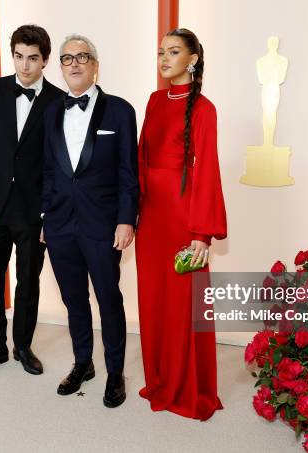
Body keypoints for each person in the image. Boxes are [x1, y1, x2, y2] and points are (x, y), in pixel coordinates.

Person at [40, 34, 138, 408]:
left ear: (96, 65)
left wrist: (126, 220)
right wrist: (46, 216)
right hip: (61, 224)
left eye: (83, 57)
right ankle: (84, 362)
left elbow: (129, 172)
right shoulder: (52, 111)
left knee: (108, 298)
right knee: (73, 299)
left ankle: (115, 372)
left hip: (103, 224)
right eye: (67, 59)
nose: (75, 64)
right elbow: (50, 169)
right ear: (60, 67)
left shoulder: (120, 111)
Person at [135, 28, 227, 420]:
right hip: (151, 217)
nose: (164, 58)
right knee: (153, 299)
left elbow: (207, 171)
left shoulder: (205, 109)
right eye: (161, 52)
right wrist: (129, 212)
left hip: (183, 217)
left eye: (173, 52)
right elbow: (140, 158)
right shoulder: (155, 101)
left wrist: (201, 233)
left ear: (191, 59)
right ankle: (159, 377)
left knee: (184, 303)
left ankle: (187, 388)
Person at [0, 25, 65, 377]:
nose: (25, 66)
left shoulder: (58, 101)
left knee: (28, 281)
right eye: (19, 57)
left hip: (33, 211)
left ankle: (23, 345)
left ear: (45, 61)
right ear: (13, 55)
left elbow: (60, 165)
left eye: (33, 59)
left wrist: (49, 214)